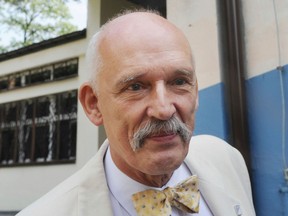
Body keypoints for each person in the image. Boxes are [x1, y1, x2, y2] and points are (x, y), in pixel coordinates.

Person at [16, 10, 256, 216]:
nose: (163, 109)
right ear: (94, 104)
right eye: (135, 87)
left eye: (179, 81)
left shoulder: (226, 159)